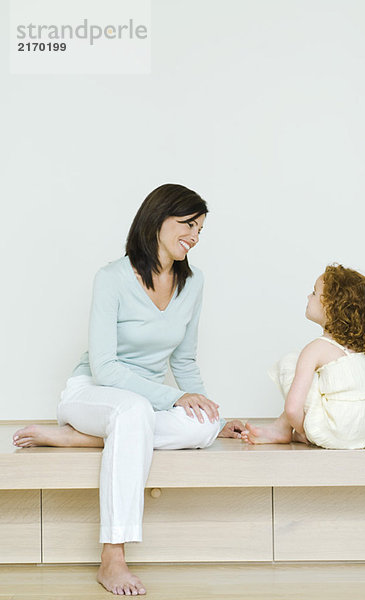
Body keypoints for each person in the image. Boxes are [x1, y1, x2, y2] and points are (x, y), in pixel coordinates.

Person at [13, 183, 244, 596]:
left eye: (201, 229)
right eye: (187, 224)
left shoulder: (193, 284)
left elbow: (184, 361)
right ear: (157, 219)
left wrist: (216, 419)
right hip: (93, 392)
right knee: (133, 412)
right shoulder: (112, 278)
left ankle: (81, 441)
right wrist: (174, 398)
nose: (194, 236)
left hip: (140, 404)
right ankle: (113, 556)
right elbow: (104, 367)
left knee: (199, 429)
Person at [242, 264, 365, 449]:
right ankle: (281, 427)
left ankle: (283, 429)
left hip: (336, 434)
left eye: (314, 293)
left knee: (291, 362)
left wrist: (307, 433)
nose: (308, 296)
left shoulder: (317, 349)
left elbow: (292, 408)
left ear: (331, 306)